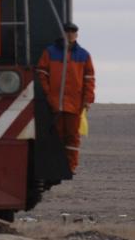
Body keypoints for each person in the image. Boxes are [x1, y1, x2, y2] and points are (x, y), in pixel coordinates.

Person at [35, 22, 95, 173]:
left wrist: (88, 99)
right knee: (57, 136)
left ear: (77, 34)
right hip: (55, 104)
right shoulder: (50, 52)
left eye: (73, 32)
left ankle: (70, 166)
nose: (70, 34)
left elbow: (89, 78)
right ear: (62, 33)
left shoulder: (84, 55)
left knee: (73, 137)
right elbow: (41, 73)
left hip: (74, 105)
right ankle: (57, 165)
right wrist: (48, 93)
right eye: (67, 31)